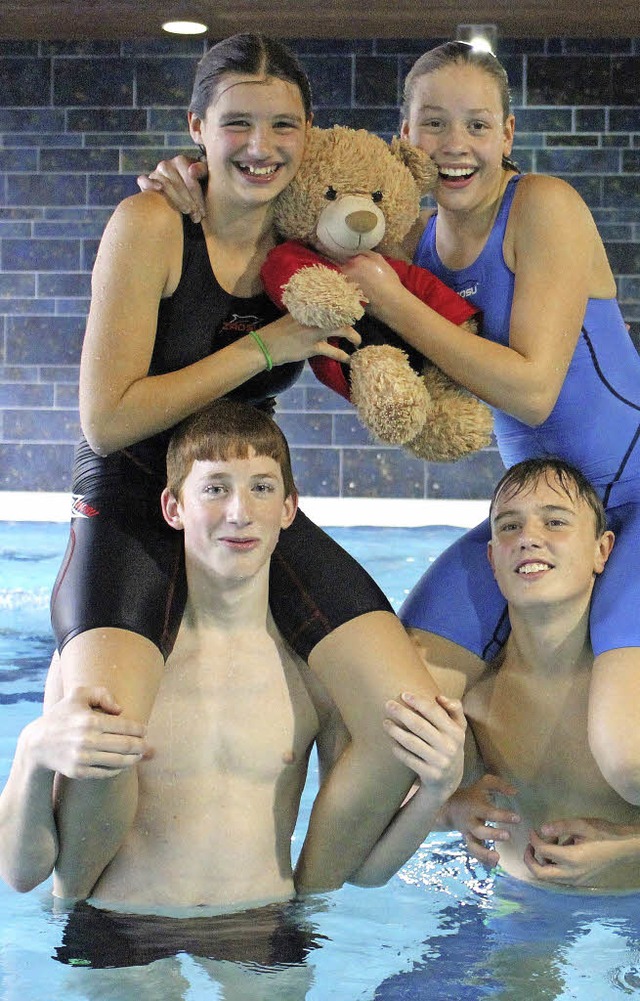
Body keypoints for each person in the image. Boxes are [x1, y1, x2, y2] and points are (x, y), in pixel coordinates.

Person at [140, 39, 640, 808]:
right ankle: (463, 822)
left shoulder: (543, 206)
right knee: (394, 707)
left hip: (632, 502)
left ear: (507, 135)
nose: (455, 145)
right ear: (404, 139)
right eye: (433, 125)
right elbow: (293, 205)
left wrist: (394, 302)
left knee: (628, 748)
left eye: (477, 125)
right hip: (535, 517)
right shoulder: (414, 240)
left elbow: (534, 391)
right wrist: (189, 172)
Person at [49, 32, 444, 898]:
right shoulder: (152, 223)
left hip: (238, 496)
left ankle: (300, 910)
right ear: (198, 126)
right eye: (237, 124)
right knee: (107, 734)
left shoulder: (309, 234)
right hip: (129, 493)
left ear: (310, 136)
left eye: (283, 126)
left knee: (406, 721)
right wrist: (268, 342)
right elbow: (107, 418)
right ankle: (77, 913)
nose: (260, 147)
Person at [0, 400, 465, 919]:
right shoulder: (107, 667)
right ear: (174, 508)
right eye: (215, 488)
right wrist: (31, 753)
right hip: (120, 925)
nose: (240, 512)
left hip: (264, 926)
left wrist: (436, 790)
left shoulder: (315, 678)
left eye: (261, 488)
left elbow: (362, 873)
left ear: (289, 509)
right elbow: (22, 874)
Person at [349, 458, 640, 892]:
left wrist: (623, 849)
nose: (529, 539)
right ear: (491, 558)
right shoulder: (472, 702)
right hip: (521, 903)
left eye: (555, 522)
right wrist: (453, 810)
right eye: (508, 527)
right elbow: (380, 810)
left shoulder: (625, 702)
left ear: (602, 550)